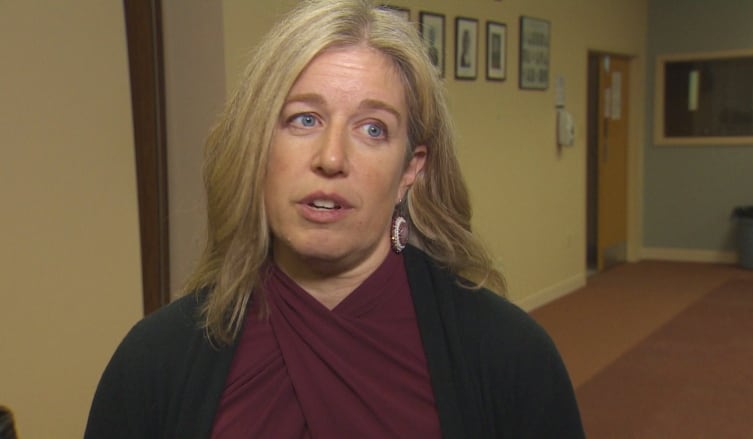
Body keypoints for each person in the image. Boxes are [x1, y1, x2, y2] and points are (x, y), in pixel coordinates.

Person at [85, 0, 584, 437]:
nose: (331, 157)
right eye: (305, 119)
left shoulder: (510, 358)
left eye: (372, 129)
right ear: (260, 144)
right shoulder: (154, 362)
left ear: (411, 169)